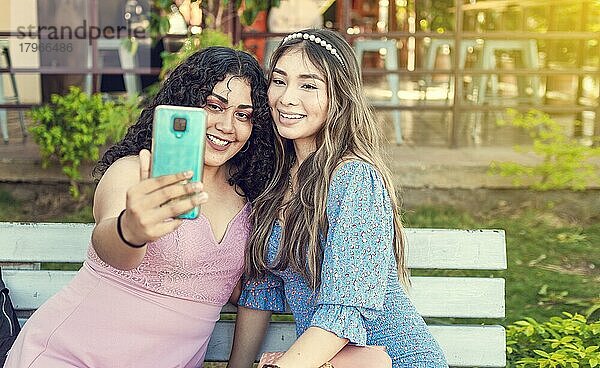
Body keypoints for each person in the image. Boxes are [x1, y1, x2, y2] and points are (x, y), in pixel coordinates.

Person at [4, 46, 275, 368]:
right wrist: (132, 229)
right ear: (184, 106)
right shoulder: (133, 170)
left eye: (243, 115)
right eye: (214, 106)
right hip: (71, 355)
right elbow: (108, 242)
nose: (227, 126)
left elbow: (243, 289)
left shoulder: (251, 194)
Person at [226, 29, 448, 368]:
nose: (286, 98)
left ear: (339, 98)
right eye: (279, 81)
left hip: (391, 358)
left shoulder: (354, 179)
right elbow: (261, 289)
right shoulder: (276, 178)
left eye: (309, 85)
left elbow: (343, 311)